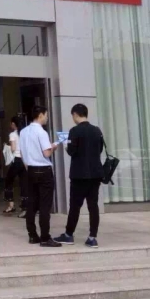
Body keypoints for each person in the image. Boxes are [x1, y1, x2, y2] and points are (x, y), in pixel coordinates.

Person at [54, 104, 105, 249]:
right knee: (93, 206)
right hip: (95, 174)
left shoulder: (74, 131)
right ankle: (92, 237)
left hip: (79, 174)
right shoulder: (97, 130)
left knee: (75, 206)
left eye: (73, 116)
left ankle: (69, 234)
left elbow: (72, 151)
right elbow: (100, 149)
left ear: (75, 114)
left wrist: (66, 145)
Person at [19, 105, 61, 248]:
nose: (47, 118)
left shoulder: (23, 132)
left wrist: (28, 166)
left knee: (31, 204)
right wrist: (54, 146)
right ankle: (45, 237)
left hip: (30, 169)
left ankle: (32, 235)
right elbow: (46, 153)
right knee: (44, 205)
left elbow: (22, 153)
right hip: (44, 170)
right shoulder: (41, 132)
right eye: (46, 115)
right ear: (41, 115)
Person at [2, 114, 28, 217]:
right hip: (25, 160)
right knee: (24, 183)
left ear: (13, 124)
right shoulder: (25, 133)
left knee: (8, 181)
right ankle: (25, 208)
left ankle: (11, 206)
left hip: (16, 160)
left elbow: (13, 149)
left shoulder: (12, 134)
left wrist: (6, 146)